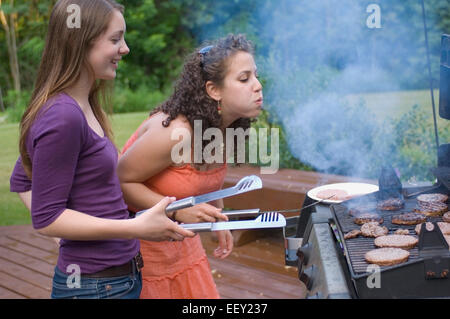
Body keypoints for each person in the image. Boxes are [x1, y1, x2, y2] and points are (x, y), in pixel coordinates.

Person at [9, 0, 194, 299]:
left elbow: (22, 177)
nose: (125, 48)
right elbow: (47, 217)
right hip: (95, 288)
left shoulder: (82, 106)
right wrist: (135, 227)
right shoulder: (63, 116)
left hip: (115, 280)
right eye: (115, 38)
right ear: (80, 41)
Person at [117, 34, 263, 298]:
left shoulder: (224, 129)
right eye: (244, 79)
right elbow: (119, 182)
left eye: (255, 75)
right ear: (213, 90)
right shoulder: (178, 133)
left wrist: (219, 220)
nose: (258, 86)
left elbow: (208, 182)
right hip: (139, 250)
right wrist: (177, 211)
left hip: (182, 242)